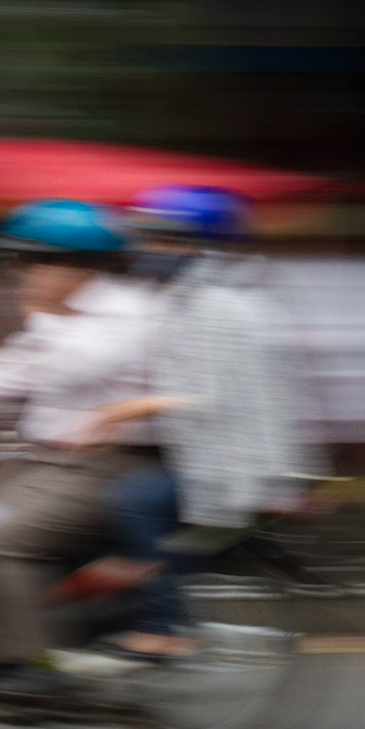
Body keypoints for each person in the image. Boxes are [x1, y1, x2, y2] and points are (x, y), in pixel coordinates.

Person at [0, 199, 158, 700]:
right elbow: (6, 367)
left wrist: (40, 315)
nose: (18, 273)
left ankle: (33, 662)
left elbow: (72, 366)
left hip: (112, 464)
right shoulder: (63, 317)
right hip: (48, 459)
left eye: (29, 261)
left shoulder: (129, 313)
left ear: (71, 264)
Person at [76, 184, 323, 661]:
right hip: (221, 454)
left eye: (163, 240)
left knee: (134, 500)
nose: (149, 250)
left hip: (236, 466)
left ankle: (165, 626)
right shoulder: (201, 298)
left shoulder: (216, 305)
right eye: (150, 239)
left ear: (202, 247)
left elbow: (209, 395)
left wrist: (125, 410)